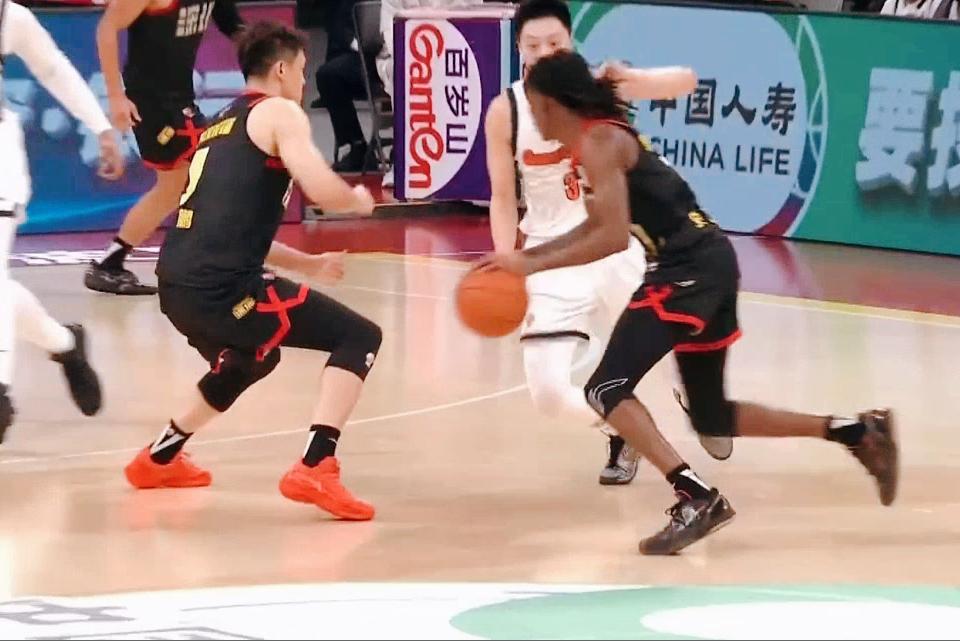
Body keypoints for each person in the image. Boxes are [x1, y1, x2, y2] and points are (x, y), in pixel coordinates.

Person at [489, 50, 898, 555]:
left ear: (553, 105)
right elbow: (599, 226)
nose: (532, 120)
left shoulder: (598, 141)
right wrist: (526, 259)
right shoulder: (599, 138)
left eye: (535, 108)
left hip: (687, 270)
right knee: (711, 417)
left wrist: (529, 264)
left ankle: (696, 497)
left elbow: (611, 238)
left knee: (605, 388)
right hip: (710, 261)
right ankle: (856, 431)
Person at [123, 21, 382, 522]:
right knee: (359, 336)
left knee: (248, 360)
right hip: (222, 288)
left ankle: (157, 458)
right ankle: (316, 465)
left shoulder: (221, 123)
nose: (303, 82)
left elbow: (234, 231)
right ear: (281, 70)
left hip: (176, 283)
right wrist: (355, 199)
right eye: (302, 70)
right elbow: (321, 188)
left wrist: (309, 264)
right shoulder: (280, 113)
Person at [486, 0, 712, 485]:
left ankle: (703, 403)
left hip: (615, 243)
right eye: (533, 45)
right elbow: (502, 198)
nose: (544, 53)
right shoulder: (506, 110)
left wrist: (635, 80)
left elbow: (687, 81)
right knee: (549, 395)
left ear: (571, 42)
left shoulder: (597, 86)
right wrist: (507, 261)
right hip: (551, 253)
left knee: (677, 351)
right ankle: (621, 430)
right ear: (517, 48)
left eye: (554, 43)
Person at [0, 0, 123, 442]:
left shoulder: (9, 16)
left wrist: (101, 127)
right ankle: (65, 345)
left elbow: (53, 69)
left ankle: (1, 390)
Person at [85, 0, 244, 295]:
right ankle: (228, 264)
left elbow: (236, 28)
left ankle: (110, 263)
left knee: (174, 188)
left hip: (180, 97)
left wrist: (271, 55)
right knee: (206, 175)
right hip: (151, 101)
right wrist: (116, 96)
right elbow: (107, 28)